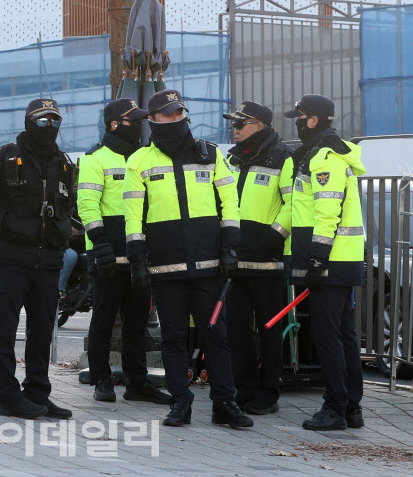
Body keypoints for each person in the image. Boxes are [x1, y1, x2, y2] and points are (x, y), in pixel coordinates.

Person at [123, 89, 253, 428]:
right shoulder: (139, 161)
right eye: (168, 114)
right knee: (173, 339)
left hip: (209, 264)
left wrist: (230, 247)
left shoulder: (210, 154)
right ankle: (181, 403)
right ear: (153, 120)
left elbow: (230, 205)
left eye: (180, 112)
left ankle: (225, 403)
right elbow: (133, 217)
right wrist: (137, 259)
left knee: (217, 336)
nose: (176, 119)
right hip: (166, 268)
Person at [0, 98, 75, 420]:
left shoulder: (65, 164)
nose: (50, 127)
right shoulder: (3, 158)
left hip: (48, 262)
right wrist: (4, 227)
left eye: (55, 121)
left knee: (42, 332)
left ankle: (38, 394)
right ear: (29, 122)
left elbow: (67, 207)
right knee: (5, 330)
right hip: (12, 258)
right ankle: (8, 397)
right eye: (43, 121)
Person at [78, 98, 171, 404]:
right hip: (107, 255)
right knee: (103, 322)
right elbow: (87, 206)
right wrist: (101, 244)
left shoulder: (145, 157)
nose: (140, 126)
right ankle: (101, 380)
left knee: (137, 324)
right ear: (114, 124)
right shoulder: (95, 159)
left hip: (139, 256)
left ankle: (137, 383)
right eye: (134, 121)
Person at [282, 94, 365, 431]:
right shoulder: (323, 152)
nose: (297, 123)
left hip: (329, 261)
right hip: (339, 260)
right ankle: (350, 408)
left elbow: (327, 210)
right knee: (343, 336)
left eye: (299, 117)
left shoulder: (325, 157)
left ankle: (334, 408)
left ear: (313, 119)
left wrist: (316, 258)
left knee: (329, 337)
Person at [222, 101, 293, 415]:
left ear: (260, 125)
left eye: (241, 124)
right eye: (233, 125)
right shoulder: (231, 159)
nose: (235, 130)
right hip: (236, 261)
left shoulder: (284, 158)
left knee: (269, 330)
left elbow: (293, 206)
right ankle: (243, 388)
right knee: (237, 329)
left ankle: (268, 394)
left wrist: (272, 237)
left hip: (268, 262)